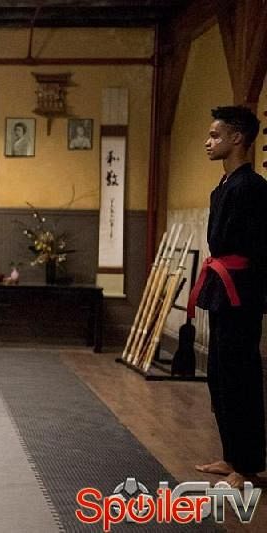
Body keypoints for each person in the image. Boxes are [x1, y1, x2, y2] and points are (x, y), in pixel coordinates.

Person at [188, 105, 267, 489]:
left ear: (238, 138)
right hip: (223, 285)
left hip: (243, 290)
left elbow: (258, 248)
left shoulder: (252, 188)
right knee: (219, 374)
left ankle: (248, 466)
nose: (208, 142)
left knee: (240, 376)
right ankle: (231, 455)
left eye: (215, 135)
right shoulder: (224, 186)